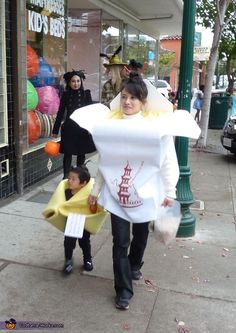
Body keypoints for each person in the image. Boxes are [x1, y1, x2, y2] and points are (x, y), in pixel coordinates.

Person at [88, 73, 179, 310]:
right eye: (125, 97)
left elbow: (168, 160)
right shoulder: (111, 127)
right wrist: (96, 190)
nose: (127, 102)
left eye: (133, 98)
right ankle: (123, 290)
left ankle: (135, 265)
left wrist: (170, 192)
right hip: (117, 196)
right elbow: (106, 161)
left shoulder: (155, 128)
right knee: (120, 242)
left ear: (143, 102)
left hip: (145, 196)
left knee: (140, 236)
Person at [52, 70, 96, 179]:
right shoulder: (66, 95)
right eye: (73, 81)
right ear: (69, 83)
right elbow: (61, 112)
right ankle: (66, 176)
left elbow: (91, 112)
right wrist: (55, 129)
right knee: (68, 153)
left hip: (82, 128)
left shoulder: (86, 94)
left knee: (81, 153)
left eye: (78, 81)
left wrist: (92, 128)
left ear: (81, 82)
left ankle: (81, 177)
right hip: (69, 128)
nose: (76, 84)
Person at [63, 165, 93, 274]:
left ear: (83, 183)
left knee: (84, 241)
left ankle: (87, 259)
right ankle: (68, 260)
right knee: (68, 242)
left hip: (84, 222)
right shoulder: (66, 193)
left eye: (73, 179)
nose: (69, 181)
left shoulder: (88, 195)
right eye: (69, 178)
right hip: (70, 222)